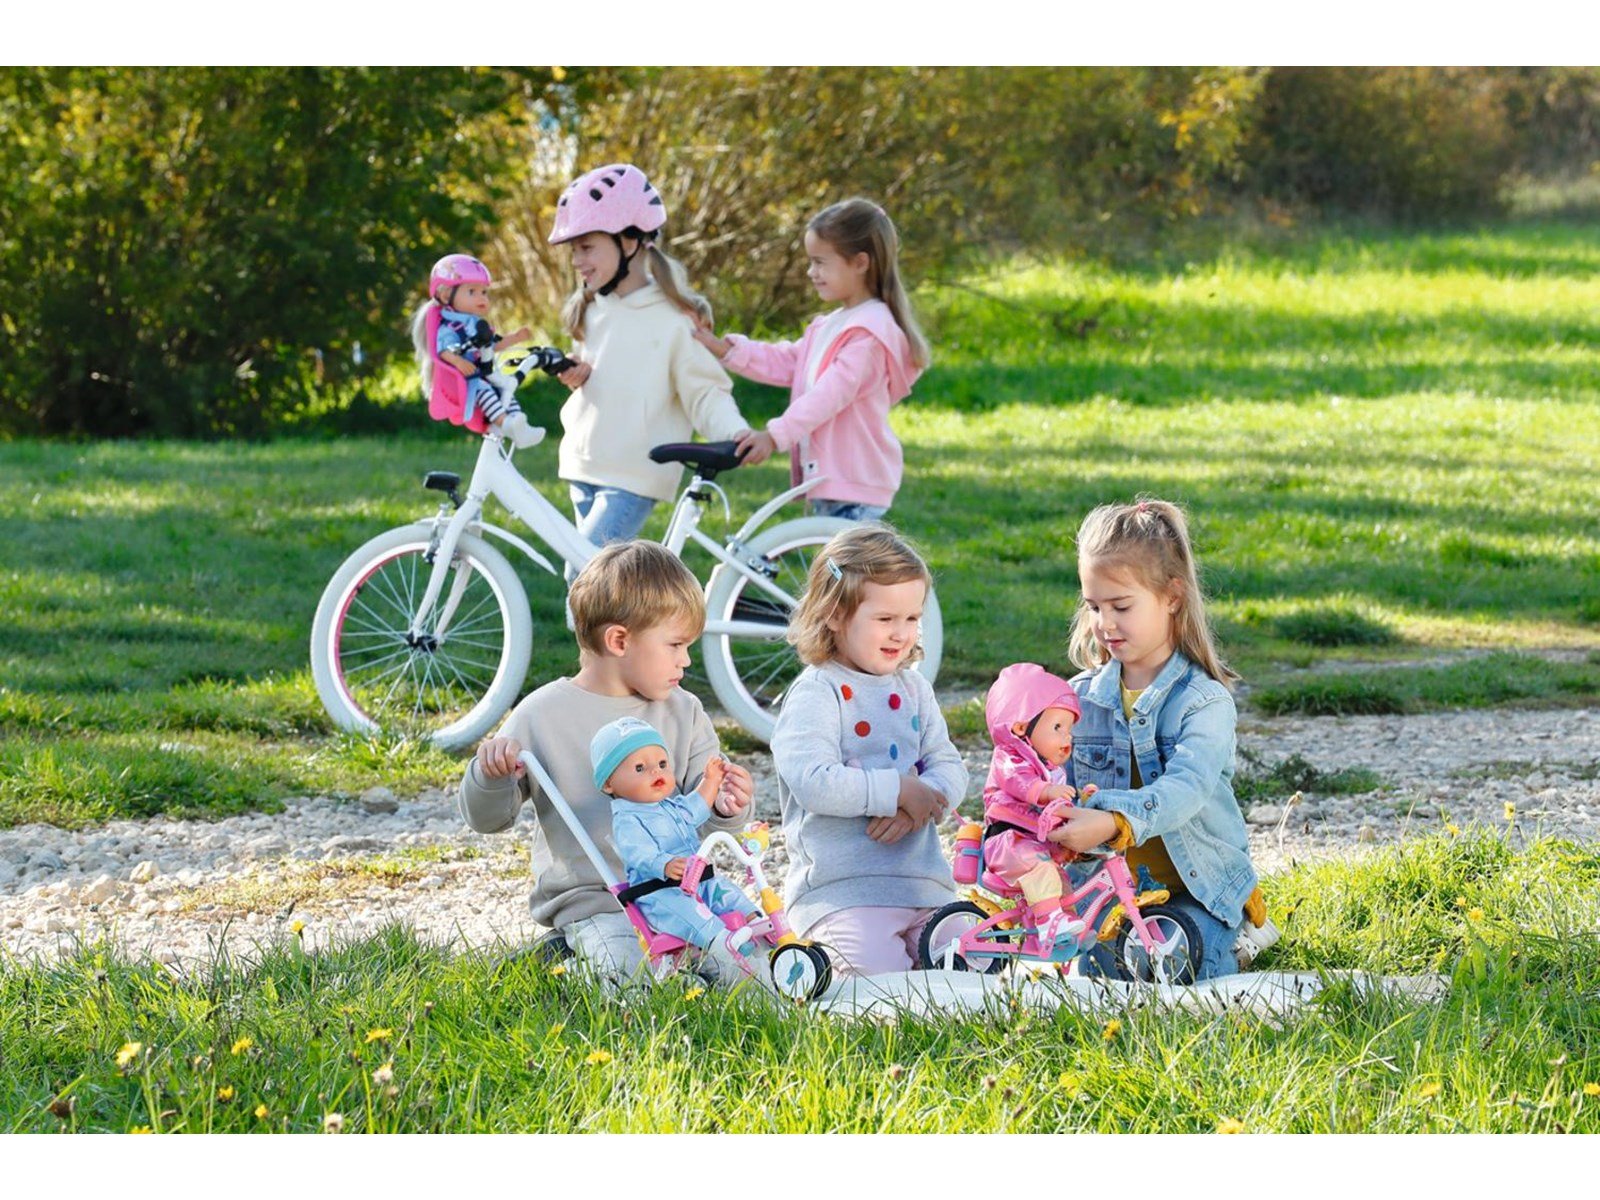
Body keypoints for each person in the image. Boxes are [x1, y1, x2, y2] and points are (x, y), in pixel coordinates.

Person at [457, 541, 755, 985]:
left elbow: (705, 823)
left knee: (748, 960)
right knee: (628, 975)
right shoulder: (541, 715)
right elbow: (486, 820)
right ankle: (568, 958)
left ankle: (676, 972)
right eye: (675, 644)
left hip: (677, 893)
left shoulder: (684, 711)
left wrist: (729, 808)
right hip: (595, 902)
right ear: (619, 640)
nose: (686, 660)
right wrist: (490, 776)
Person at [1046, 498, 1278, 980]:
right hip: (1113, 894)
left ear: (1172, 596)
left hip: (1195, 891)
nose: (1105, 623)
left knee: (1182, 968)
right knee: (1094, 974)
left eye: (1121, 606)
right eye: (1094, 606)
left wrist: (1112, 821)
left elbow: (1184, 790)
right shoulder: (1076, 700)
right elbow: (1052, 778)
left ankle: (1238, 938)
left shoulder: (1203, 701)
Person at [769, 524, 967, 977]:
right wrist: (895, 789)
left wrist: (919, 802)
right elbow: (813, 782)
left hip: (924, 888)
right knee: (876, 985)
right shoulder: (818, 692)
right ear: (836, 614)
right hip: (842, 892)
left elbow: (949, 765)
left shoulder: (914, 688)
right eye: (885, 619)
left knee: (974, 960)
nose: (901, 634)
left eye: (912, 618)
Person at [545, 163, 754, 564]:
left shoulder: (675, 319)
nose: (577, 261)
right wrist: (577, 374)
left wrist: (735, 432)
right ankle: (628, 629)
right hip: (583, 464)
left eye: (586, 247)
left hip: (634, 473)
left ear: (629, 241)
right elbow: (609, 376)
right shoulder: (592, 309)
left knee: (583, 575)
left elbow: (705, 390)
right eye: (574, 250)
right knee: (600, 594)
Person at [694, 198, 929, 522]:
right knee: (837, 572)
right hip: (836, 484)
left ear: (860, 263)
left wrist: (775, 435)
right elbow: (791, 361)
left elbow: (828, 395)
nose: (811, 272)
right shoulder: (834, 323)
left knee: (849, 573)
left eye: (820, 262)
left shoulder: (869, 334)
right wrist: (725, 349)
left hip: (854, 484)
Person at [596, 716, 765, 984]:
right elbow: (637, 853)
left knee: (728, 892)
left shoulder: (671, 807)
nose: (656, 772)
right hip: (661, 894)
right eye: (640, 768)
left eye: (662, 764)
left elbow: (697, 806)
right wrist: (663, 864)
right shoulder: (628, 819)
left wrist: (711, 780)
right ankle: (726, 948)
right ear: (609, 784)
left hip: (699, 882)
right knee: (695, 916)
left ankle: (759, 927)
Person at [979, 662, 1093, 951]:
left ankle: (1066, 930)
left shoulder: (1048, 770)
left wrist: (1083, 803)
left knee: (1062, 884)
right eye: (1057, 727)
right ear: (1020, 727)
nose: (1067, 737)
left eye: (1069, 730)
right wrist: (1047, 791)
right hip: (1007, 843)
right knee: (1043, 871)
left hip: (1029, 846)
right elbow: (1019, 782)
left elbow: (1056, 810)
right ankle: (1051, 926)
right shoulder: (1010, 757)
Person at [410, 253, 543, 448]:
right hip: (466, 379)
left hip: (483, 372)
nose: (482, 298)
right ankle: (505, 422)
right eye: (472, 292)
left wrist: (515, 338)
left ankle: (518, 424)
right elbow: (443, 351)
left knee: (505, 388)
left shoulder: (475, 324)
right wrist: (459, 362)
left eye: (484, 292)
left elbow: (492, 345)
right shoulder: (451, 328)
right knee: (486, 390)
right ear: (446, 295)